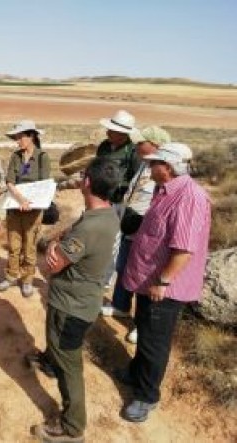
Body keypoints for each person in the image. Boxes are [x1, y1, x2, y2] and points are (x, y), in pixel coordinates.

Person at [30, 157, 121, 442]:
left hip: (71, 305)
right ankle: (48, 361)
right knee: (59, 350)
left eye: (83, 176)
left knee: (70, 365)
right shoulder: (106, 215)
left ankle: (72, 427)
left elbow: (52, 264)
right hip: (83, 300)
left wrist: (57, 243)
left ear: (88, 183)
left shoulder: (88, 227)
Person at [118, 143, 210, 423]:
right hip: (149, 279)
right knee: (144, 328)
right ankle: (136, 372)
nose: (149, 166)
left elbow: (183, 249)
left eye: (154, 163)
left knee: (154, 342)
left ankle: (146, 396)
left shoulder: (189, 198)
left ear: (167, 168)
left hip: (164, 286)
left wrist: (162, 281)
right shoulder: (165, 189)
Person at [101, 127, 171, 345]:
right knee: (123, 267)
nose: (137, 145)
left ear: (155, 145)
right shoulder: (144, 164)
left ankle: (143, 326)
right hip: (130, 228)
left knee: (145, 278)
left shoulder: (165, 172)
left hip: (148, 234)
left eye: (142, 142)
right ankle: (120, 306)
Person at [0, 120, 50, 297]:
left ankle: (27, 280)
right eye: (16, 137)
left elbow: (43, 186)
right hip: (15, 208)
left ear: (31, 136)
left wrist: (29, 203)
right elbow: (9, 182)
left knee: (30, 247)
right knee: (14, 245)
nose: (17, 141)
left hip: (34, 211)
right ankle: (11, 276)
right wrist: (20, 200)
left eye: (20, 137)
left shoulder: (43, 157)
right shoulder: (15, 156)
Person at [96, 110, 141, 288]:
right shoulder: (104, 146)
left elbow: (134, 180)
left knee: (113, 240)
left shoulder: (133, 153)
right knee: (96, 235)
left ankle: (106, 279)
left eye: (111, 130)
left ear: (123, 134)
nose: (107, 132)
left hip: (118, 203)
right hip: (99, 198)